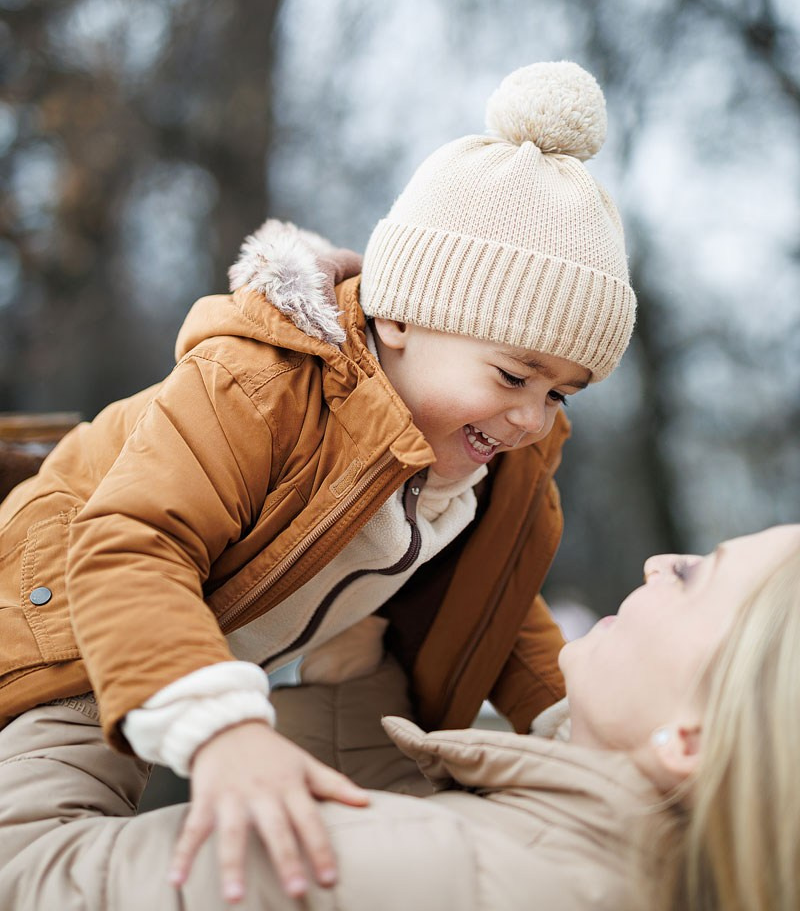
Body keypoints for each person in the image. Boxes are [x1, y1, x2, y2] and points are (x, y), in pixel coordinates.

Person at [0, 61, 637, 903]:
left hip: (278, 647)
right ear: (400, 316)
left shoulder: (487, 465)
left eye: (560, 394)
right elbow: (134, 543)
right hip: (73, 616)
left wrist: (582, 734)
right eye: (514, 375)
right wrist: (222, 733)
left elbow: (504, 609)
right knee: (27, 867)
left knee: (378, 706)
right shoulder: (256, 384)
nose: (531, 417)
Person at [0, 525, 797, 911]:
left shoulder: (432, 874)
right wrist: (350, 664)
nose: (661, 563)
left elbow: (27, 873)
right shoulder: (622, 876)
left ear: (692, 740)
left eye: (696, 576)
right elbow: (408, 829)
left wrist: (105, 619)